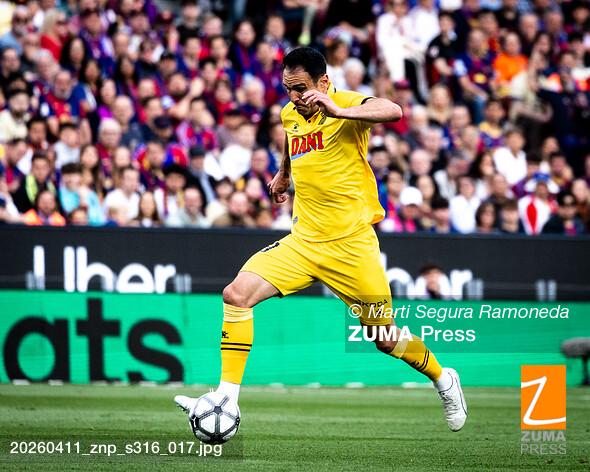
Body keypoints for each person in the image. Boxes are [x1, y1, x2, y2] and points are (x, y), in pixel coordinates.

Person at [175, 47, 467, 434]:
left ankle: (444, 378)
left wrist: (339, 110)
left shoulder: (347, 105)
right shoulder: (290, 113)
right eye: (288, 89)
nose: (294, 97)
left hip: (351, 247)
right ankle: (227, 397)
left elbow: (394, 110)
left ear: (324, 82)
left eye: (301, 88)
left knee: (383, 338)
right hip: (304, 243)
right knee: (236, 295)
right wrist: (283, 173)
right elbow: (291, 137)